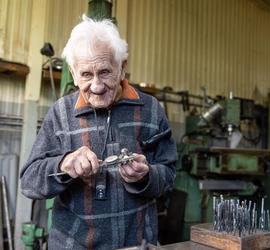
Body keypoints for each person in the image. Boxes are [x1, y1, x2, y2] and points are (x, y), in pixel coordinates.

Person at [20, 15, 177, 250]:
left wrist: (146, 176)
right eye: (85, 75)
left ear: (122, 67)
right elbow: (29, 182)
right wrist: (64, 165)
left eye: (104, 72)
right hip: (72, 245)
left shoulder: (150, 109)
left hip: (136, 245)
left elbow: (169, 174)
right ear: (73, 73)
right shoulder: (61, 113)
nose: (96, 86)